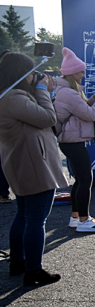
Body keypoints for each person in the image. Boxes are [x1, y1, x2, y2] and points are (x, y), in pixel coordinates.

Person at [0, 51, 68, 286]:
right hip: (33, 165)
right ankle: (34, 270)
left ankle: (18, 261)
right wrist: (42, 91)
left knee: (24, 215)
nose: (34, 77)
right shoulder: (14, 98)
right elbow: (48, 118)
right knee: (36, 220)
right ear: (21, 74)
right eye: (31, 72)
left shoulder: (8, 96)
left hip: (21, 163)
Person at [55, 47, 95, 232]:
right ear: (72, 73)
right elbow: (90, 114)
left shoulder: (66, 91)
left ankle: (76, 217)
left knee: (79, 179)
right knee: (86, 179)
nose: (83, 75)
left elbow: (82, 109)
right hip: (73, 141)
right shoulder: (70, 93)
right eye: (81, 71)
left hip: (69, 140)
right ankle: (84, 221)